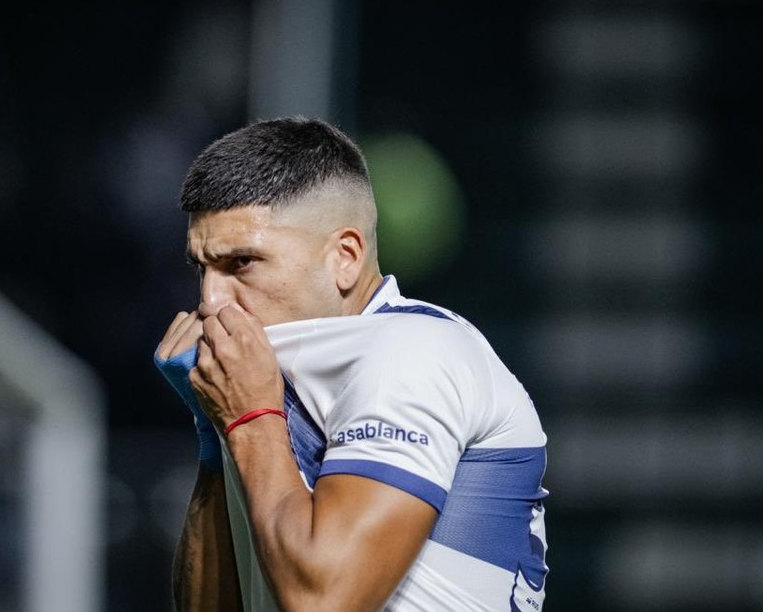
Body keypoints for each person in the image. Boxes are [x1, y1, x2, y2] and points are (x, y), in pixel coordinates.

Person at [154, 117, 549, 612]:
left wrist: (248, 419)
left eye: (242, 263)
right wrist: (216, 434)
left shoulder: (410, 350)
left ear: (345, 257)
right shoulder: (271, 383)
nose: (210, 300)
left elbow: (325, 601)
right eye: (202, 268)